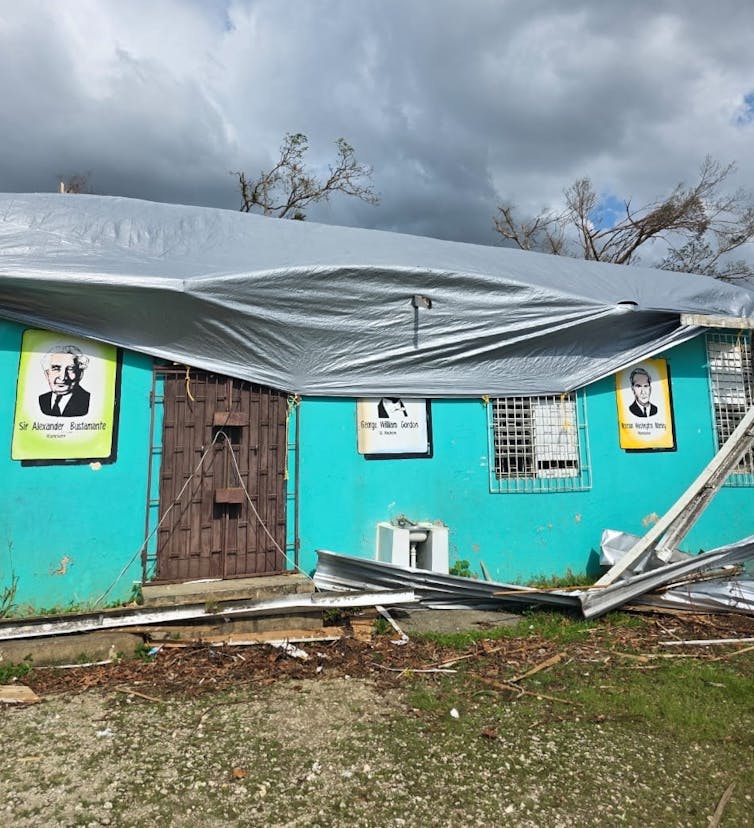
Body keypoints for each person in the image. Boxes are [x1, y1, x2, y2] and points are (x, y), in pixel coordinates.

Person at [39, 344, 91, 417]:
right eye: (56, 368)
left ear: (80, 374)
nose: (63, 377)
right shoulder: (42, 399)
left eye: (70, 369)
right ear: (47, 374)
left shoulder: (88, 400)